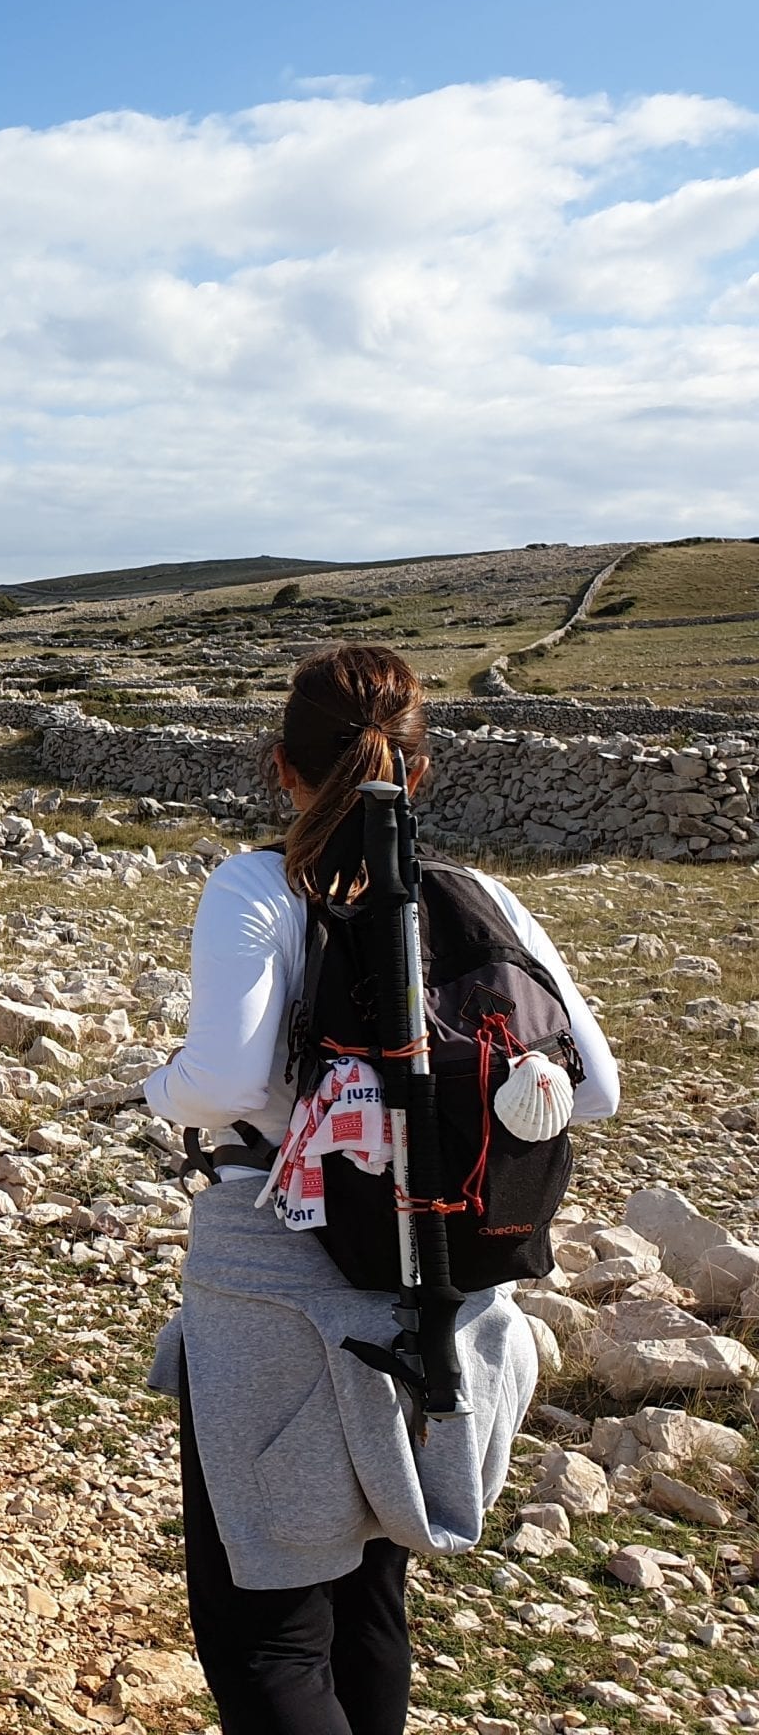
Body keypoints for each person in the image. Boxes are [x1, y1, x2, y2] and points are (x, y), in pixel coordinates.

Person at [141, 643, 619, 1734]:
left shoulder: (259, 886)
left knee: (266, 1627)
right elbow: (591, 1093)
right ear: (422, 769)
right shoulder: (480, 899)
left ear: (281, 767)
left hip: (277, 1297)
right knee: (371, 1601)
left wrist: (153, 1087)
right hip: (449, 1298)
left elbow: (227, 1079)